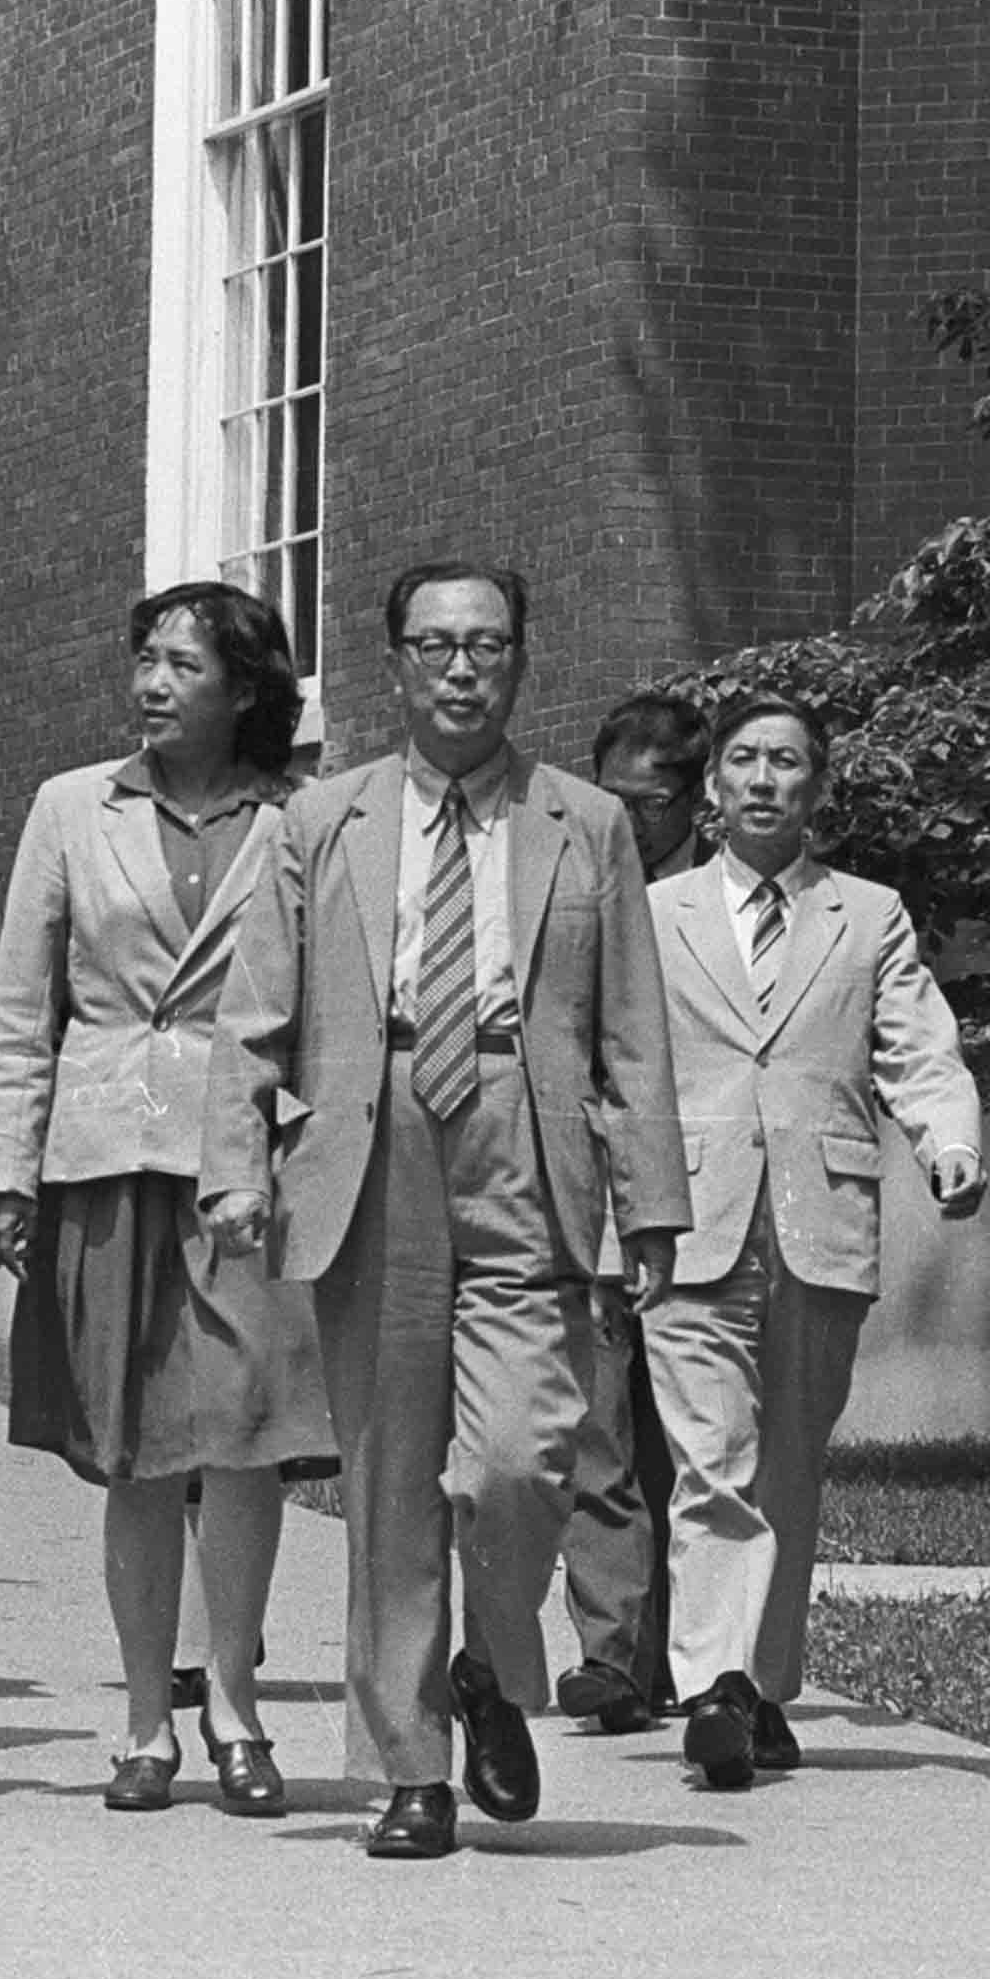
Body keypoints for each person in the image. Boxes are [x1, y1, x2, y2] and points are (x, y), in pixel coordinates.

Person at [203, 560, 689, 1861]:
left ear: (521, 660)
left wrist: (651, 1205)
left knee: (525, 1456)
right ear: (395, 667)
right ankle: (410, 1768)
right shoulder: (321, 822)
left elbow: (633, 1032)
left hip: (526, 1142)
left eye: (487, 644)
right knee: (386, 1482)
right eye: (436, 646)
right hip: (371, 1147)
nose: (462, 667)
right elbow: (253, 1015)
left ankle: (490, 1661)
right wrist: (234, 1167)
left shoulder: (583, 824)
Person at [0, 580, 334, 1818]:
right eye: (143, 659)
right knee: (130, 1451)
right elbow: (19, 1011)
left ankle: (233, 1708)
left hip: (249, 1166)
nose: (151, 683)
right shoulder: (74, 807)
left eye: (182, 664)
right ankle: (140, 1726)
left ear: (244, 688)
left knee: (241, 1441)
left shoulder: (303, 817)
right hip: (104, 1158)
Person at [636, 694, 984, 1789]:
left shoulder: (866, 914)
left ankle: (762, 1684)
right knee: (710, 1463)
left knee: (785, 1465)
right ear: (710, 786)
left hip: (817, 1226)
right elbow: (613, 1067)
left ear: (815, 789)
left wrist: (948, 1144)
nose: (761, 779)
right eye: (741, 759)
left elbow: (915, 1045)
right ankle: (713, 1689)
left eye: (785, 762)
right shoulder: (652, 915)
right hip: (685, 1224)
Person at [554, 691, 716, 1739]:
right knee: (597, 1438)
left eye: (652, 803)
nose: (632, 819)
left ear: (692, 804)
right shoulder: (571, 889)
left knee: (688, 1452)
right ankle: (609, 1656)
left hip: (707, 1207)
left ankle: (681, 1656)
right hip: (596, 1207)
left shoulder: (718, 904)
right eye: (615, 798)